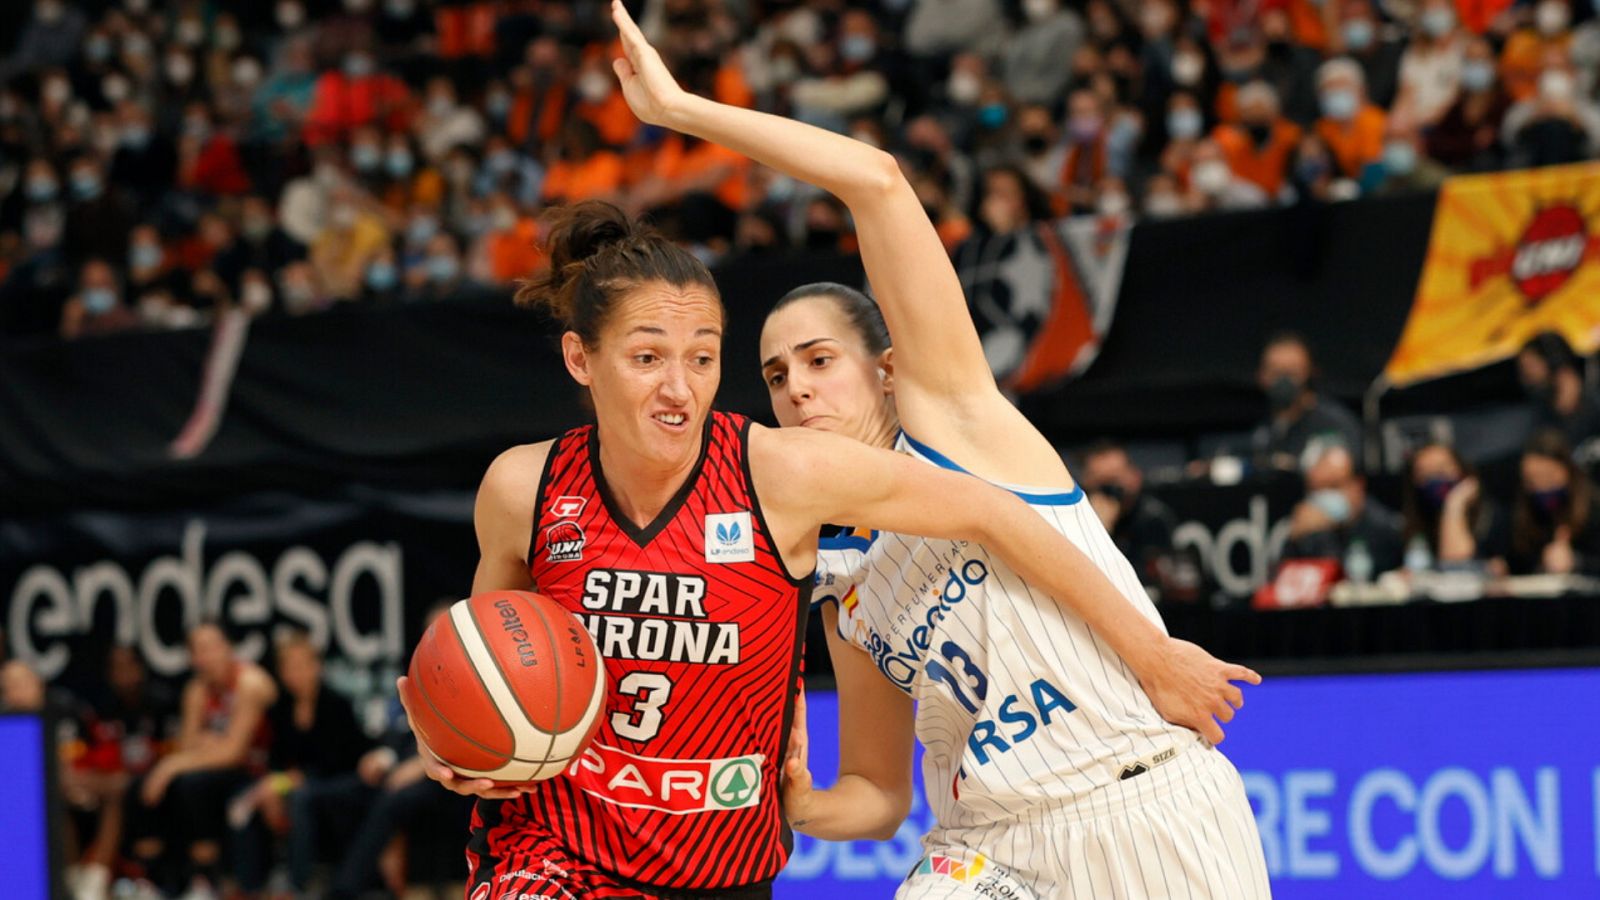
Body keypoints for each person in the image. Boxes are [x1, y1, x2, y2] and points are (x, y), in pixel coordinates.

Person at [606, 6, 1267, 898]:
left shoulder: (954, 425)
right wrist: (780, 798)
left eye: (818, 360)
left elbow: (876, 182)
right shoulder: (835, 575)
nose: (796, 387)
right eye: (773, 375)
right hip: (984, 847)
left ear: (886, 372)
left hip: (1141, 805)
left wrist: (685, 112)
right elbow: (876, 796)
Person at [128, 623, 276, 898]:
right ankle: (154, 878)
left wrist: (171, 765)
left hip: (254, 773)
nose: (205, 656)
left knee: (190, 784)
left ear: (228, 648)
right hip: (212, 769)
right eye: (197, 650)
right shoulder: (197, 689)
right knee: (142, 786)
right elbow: (187, 746)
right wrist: (200, 751)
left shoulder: (250, 682)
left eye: (211, 647)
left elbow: (234, 753)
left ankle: (206, 878)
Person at [1281, 444, 1405, 577]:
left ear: (1358, 485)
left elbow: (1345, 576)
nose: (1325, 496)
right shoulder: (1304, 527)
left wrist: (1321, 533)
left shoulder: (1384, 528)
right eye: (1317, 490)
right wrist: (1300, 538)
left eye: (1334, 486)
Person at [1251, 330, 1363, 470]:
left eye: (1292, 372)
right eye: (1275, 372)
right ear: (1261, 376)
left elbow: (1340, 469)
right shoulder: (1260, 425)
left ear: (1311, 372)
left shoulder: (1332, 422)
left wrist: (1295, 467)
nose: (1283, 382)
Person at [1079, 440, 1180, 588]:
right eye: (1101, 483)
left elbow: (1152, 581)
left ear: (1135, 477)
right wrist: (1097, 529)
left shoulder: (1152, 518)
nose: (1108, 491)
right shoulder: (1080, 519)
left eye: (1114, 480)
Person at [1399, 442, 1508, 572]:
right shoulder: (1416, 522)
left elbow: (1456, 563)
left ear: (1461, 470)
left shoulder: (1491, 514)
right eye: (1424, 474)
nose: (1434, 480)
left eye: (1441, 470)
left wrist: (1454, 504)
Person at [1507, 429, 1600, 576]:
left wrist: (1577, 562)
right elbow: (1517, 560)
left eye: (1547, 477)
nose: (1541, 486)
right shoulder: (1528, 511)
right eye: (1531, 481)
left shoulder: (1593, 508)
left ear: (1567, 470)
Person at [1517, 331, 1600, 446]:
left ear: (1552, 360)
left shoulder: (1593, 390)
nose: (1526, 377)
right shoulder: (1544, 412)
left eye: (1530, 366)